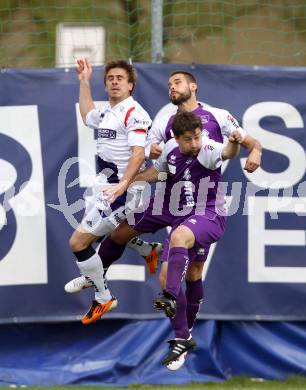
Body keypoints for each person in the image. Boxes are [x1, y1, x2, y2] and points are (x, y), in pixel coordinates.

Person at [97, 111, 243, 366]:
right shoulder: (171, 149)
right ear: (176, 138)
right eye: (189, 139)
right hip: (171, 207)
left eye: (197, 137)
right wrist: (126, 183)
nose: (194, 143)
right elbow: (158, 172)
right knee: (120, 232)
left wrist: (234, 140)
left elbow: (228, 153)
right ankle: (97, 277)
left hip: (207, 214)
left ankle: (174, 306)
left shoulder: (207, 148)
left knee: (182, 257)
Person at [147, 70, 262, 369]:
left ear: (193, 86)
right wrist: (129, 178)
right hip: (181, 210)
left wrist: (248, 147)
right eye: (169, 83)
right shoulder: (167, 131)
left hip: (209, 210)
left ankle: (171, 299)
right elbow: (154, 162)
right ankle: (184, 337)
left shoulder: (213, 126)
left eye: (178, 81)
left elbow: (233, 148)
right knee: (193, 273)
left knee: (178, 242)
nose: (172, 86)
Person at [66, 58, 161, 325]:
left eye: (121, 78)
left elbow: (137, 153)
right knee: (111, 234)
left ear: (131, 85)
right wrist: (84, 82)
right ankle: (146, 250)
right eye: (110, 78)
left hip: (124, 192)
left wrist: (123, 184)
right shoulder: (108, 112)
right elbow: (87, 115)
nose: (115, 81)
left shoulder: (134, 113)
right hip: (105, 190)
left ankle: (103, 295)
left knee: (78, 243)